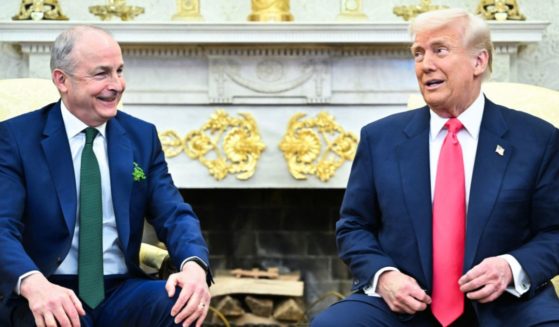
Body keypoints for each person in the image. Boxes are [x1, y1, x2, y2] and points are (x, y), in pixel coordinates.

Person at [311, 8, 559, 327]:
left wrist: (512, 267)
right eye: (418, 53)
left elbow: (554, 231)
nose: (425, 65)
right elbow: (354, 226)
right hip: (401, 303)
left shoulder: (537, 140)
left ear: (478, 61)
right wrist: (383, 276)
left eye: (439, 50)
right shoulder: (380, 138)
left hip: (507, 304)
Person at [0, 25, 212, 327]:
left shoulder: (141, 137)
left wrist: (194, 267)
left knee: (179, 305)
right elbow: (1, 226)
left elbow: (175, 215)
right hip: (47, 286)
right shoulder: (16, 138)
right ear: (62, 80)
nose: (117, 85)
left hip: (121, 288)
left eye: (119, 71)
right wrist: (34, 285)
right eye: (101, 74)